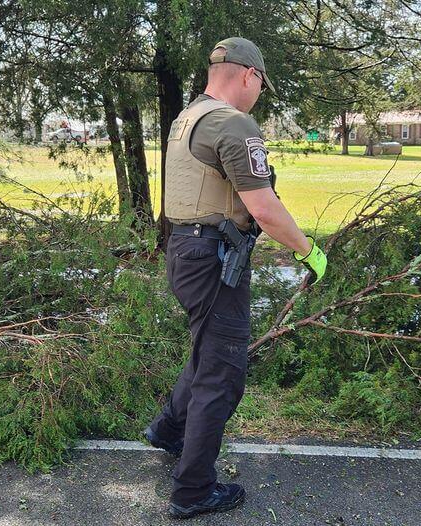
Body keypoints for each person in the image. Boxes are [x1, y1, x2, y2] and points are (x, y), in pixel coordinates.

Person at [143, 37, 327, 519]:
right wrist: (309, 252)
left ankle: (168, 431)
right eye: (261, 84)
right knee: (222, 374)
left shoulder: (188, 118)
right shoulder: (233, 122)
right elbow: (264, 209)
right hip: (212, 258)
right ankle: (193, 490)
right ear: (249, 75)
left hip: (185, 250)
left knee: (207, 350)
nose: (259, 93)